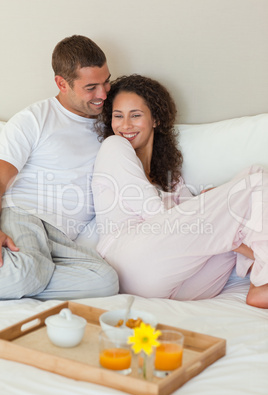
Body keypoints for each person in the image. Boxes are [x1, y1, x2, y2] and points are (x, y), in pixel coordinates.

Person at [92, 74, 268, 308]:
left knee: (252, 177)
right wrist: (214, 216)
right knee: (254, 185)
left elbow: (194, 234)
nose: (125, 125)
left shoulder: (171, 178)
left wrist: (216, 215)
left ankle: (260, 284)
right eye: (118, 116)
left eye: (135, 115)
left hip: (182, 283)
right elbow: (156, 214)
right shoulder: (114, 147)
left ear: (155, 119)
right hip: (131, 262)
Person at [0, 35, 119, 300]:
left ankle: (24, 277)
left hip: (60, 237)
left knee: (105, 281)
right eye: (91, 87)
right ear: (61, 83)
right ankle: (24, 275)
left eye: (106, 82)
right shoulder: (34, 119)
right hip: (25, 215)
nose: (102, 94)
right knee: (27, 271)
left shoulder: (116, 122)